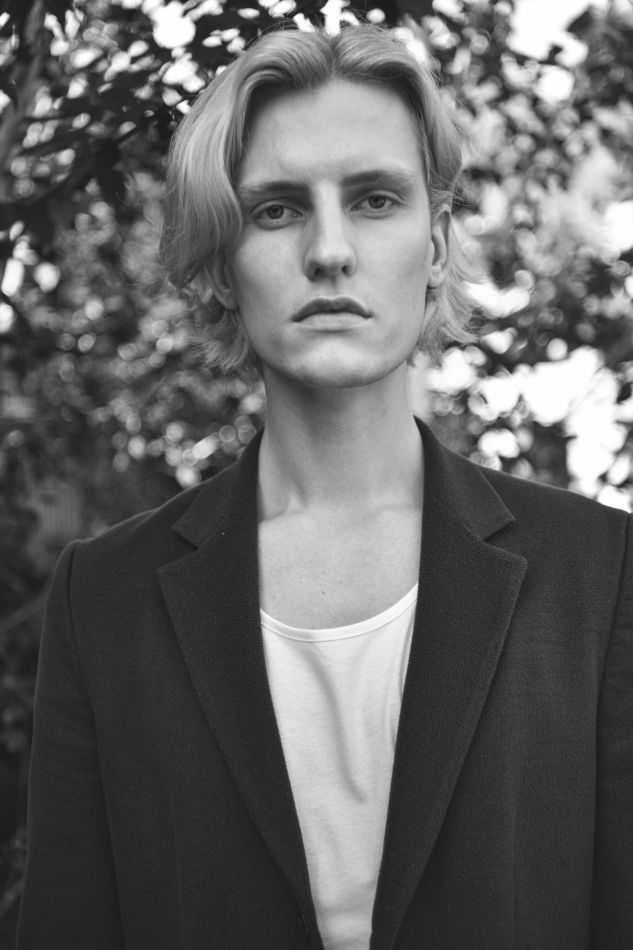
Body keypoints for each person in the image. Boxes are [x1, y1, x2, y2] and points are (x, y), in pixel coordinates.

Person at [17, 22, 632, 950]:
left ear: (435, 245)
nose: (330, 251)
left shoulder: (598, 573)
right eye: (276, 210)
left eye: (375, 199)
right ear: (222, 263)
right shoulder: (103, 598)